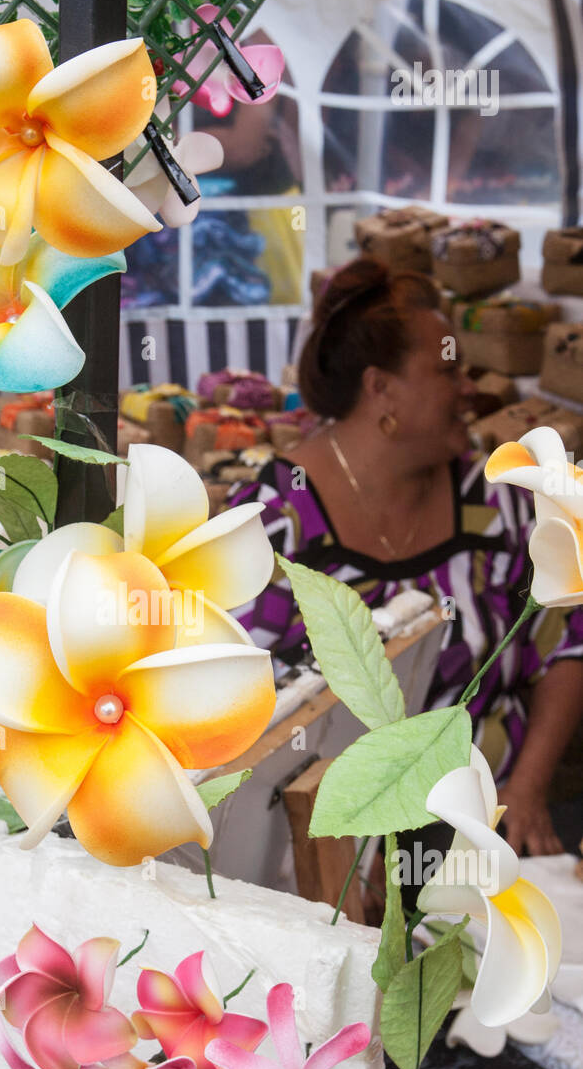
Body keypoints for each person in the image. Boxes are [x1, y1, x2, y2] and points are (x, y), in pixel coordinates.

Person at [231, 257, 583, 859]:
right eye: (449, 371)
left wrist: (527, 787)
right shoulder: (272, 523)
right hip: (322, 858)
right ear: (380, 388)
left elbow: (565, 639)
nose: (469, 387)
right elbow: (233, 710)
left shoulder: (498, 503)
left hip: (492, 831)